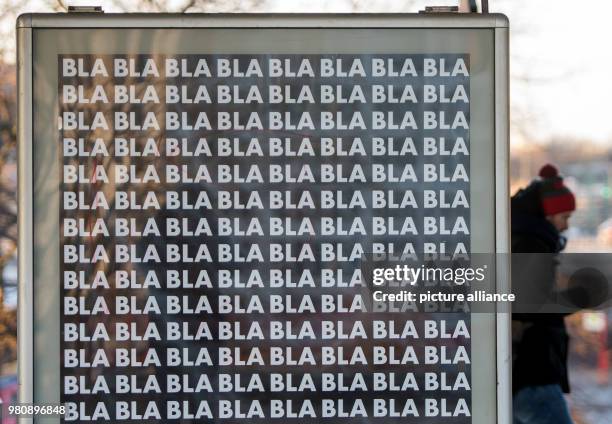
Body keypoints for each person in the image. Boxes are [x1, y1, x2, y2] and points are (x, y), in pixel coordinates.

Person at [511, 163, 576, 424]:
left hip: (525, 370)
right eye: (565, 217)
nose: (566, 226)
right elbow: (531, 304)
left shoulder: (527, 239)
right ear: (549, 214)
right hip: (534, 371)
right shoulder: (531, 244)